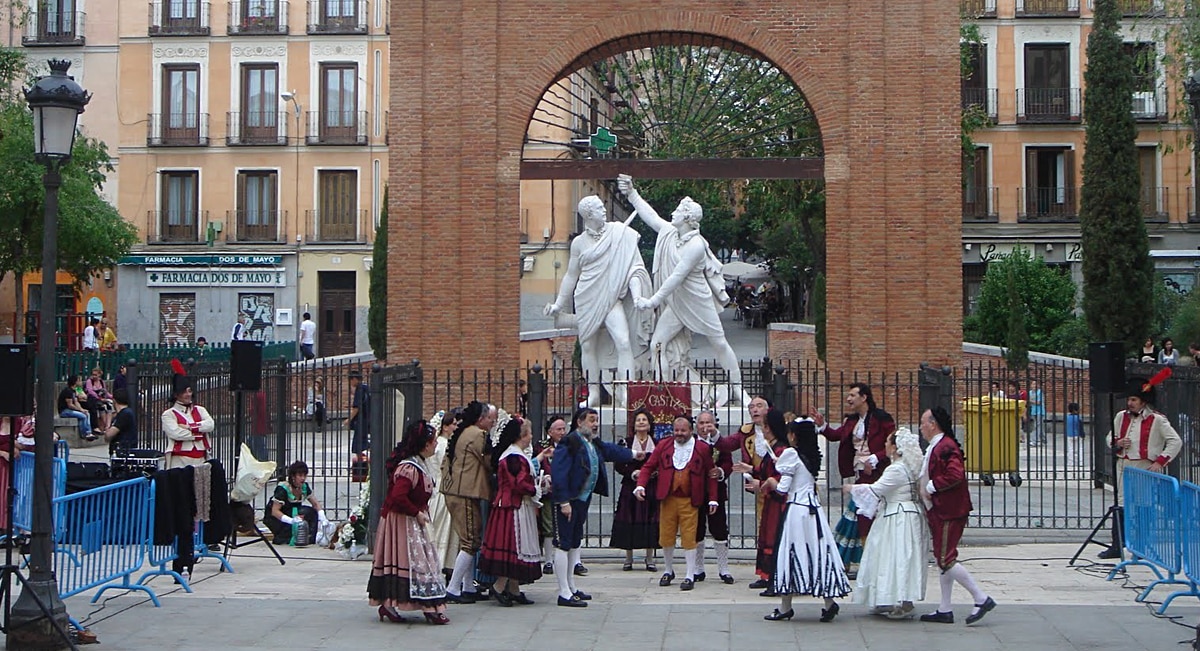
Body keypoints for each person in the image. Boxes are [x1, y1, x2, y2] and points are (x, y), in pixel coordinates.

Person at [620, 175, 743, 403]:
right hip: (677, 303)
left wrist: (653, 301)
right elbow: (651, 217)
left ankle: (738, 389)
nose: (673, 214)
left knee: (719, 343)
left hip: (697, 301)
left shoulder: (695, 245)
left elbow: (676, 277)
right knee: (657, 344)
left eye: (677, 211)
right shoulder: (670, 233)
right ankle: (663, 393)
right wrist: (632, 194)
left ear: (687, 218)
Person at [543, 195, 652, 408]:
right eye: (600, 208)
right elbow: (571, 275)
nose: (605, 211)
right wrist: (558, 303)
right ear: (589, 215)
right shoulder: (579, 243)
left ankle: (628, 391)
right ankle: (593, 392)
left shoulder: (619, 233)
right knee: (588, 346)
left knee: (623, 342)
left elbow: (632, 267)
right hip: (586, 297)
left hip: (611, 297)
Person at [550, 407, 639, 607]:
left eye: (596, 420)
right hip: (569, 500)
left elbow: (610, 450)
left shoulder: (591, 442)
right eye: (591, 420)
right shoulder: (569, 442)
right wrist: (563, 501)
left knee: (574, 542)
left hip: (582, 499)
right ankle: (563, 591)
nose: (595, 424)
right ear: (579, 422)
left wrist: (634, 454)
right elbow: (559, 473)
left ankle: (571, 586)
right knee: (563, 543)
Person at [763, 418, 850, 623]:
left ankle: (785, 607)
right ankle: (829, 602)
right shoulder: (812, 455)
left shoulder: (791, 454)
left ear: (794, 435)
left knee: (791, 554)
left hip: (796, 511)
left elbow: (783, 488)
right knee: (818, 553)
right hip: (814, 511)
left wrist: (770, 481)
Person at [918, 407, 997, 625]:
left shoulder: (946, 446)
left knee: (945, 559)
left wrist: (932, 486)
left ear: (933, 424)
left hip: (949, 510)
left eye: (923, 422)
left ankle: (981, 598)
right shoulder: (938, 446)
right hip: (940, 510)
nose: (921, 427)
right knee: (944, 558)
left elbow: (955, 474)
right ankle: (945, 608)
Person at [809, 383, 896, 576]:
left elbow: (893, 443)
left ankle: (854, 561)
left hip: (878, 475)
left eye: (852, 395)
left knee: (861, 515)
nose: (848, 399)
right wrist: (822, 425)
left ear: (864, 397)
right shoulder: (852, 421)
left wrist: (875, 458)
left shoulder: (882, 418)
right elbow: (836, 436)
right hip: (860, 474)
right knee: (857, 515)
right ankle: (852, 561)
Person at [368, 419, 450, 625]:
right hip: (402, 522)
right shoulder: (409, 468)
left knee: (424, 562)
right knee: (413, 563)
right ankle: (418, 606)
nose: (435, 445)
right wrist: (416, 513)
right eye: (432, 441)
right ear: (423, 444)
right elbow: (398, 497)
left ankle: (426, 605)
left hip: (413, 520)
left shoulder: (418, 463)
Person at [1099, 373, 1183, 559]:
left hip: (1144, 466)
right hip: (1124, 464)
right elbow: (1109, 438)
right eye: (1129, 399)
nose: (1130, 403)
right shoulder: (1121, 416)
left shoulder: (1158, 420)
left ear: (1143, 401)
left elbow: (1175, 442)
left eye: (1134, 399)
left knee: (1144, 506)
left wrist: (1160, 462)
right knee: (1120, 505)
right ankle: (1117, 545)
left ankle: (1143, 546)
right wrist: (1118, 442)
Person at [847, 427, 928, 619]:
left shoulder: (897, 469)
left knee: (897, 557)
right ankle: (887, 598)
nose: (885, 445)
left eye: (888, 442)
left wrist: (851, 488)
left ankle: (903, 602)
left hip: (898, 517)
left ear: (895, 447)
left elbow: (877, 490)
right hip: (898, 514)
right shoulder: (907, 467)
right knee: (891, 557)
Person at [634, 415, 718, 592]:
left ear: (691, 431)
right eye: (676, 430)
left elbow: (711, 474)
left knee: (689, 537)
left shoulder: (702, 448)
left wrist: (713, 498)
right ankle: (668, 570)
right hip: (668, 498)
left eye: (683, 431)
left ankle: (689, 574)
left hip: (690, 500)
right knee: (666, 535)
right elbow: (648, 467)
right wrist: (640, 485)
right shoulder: (664, 445)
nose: (679, 434)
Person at [479, 416, 543, 606]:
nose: (531, 437)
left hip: (512, 505)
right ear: (521, 436)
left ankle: (514, 588)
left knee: (516, 547)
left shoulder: (515, 454)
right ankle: (499, 587)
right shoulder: (514, 457)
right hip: (512, 507)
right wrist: (536, 489)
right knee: (514, 547)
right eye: (529, 433)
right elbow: (519, 484)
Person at [441, 401, 496, 603]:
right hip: (465, 491)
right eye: (490, 418)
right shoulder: (477, 435)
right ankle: (454, 588)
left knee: (467, 539)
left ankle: (467, 587)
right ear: (481, 419)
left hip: (454, 490)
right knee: (471, 540)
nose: (492, 422)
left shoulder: (462, 433)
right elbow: (489, 461)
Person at [734, 408, 790, 596]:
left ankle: (777, 579)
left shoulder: (781, 449)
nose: (763, 429)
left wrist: (762, 484)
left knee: (775, 538)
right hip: (770, 502)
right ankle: (768, 576)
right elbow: (765, 469)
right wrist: (750, 469)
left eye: (765, 426)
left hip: (778, 502)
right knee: (768, 536)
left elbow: (779, 477)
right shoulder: (772, 447)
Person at [611, 408, 660, 572]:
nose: (641, 422)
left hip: (651, 486)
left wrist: (653, 473)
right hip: (630, 486)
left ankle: (650, 558)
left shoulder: (658, 443)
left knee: (650, 519)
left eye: (644, 420)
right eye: (638, 420)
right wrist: (632, 473)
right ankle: (628, 558)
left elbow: (663, 463)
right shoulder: (625, 442)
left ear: (649, 424)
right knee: (629, 518)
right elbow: (618, 464)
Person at [694, 408, 740, 584]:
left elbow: (728, 463)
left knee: (719, 529)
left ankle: (724, 568)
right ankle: (698, 568)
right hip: (696, 492)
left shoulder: (720, 444)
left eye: (708, 422)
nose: (705, 426)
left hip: (717, 492)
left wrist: (720, 471)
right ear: (696, 425)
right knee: (697, 530)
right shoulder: (691, 442)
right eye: (702, 423)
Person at [739, 396, 773, 589]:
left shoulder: (781, 437)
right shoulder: (747, 432)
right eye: (751, 407)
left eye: (759, 405)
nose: (754, 410)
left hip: (777, 492)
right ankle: (765, 573)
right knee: (763, 532)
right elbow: (728, 444)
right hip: (761, 491)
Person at [161, 360, 214, 469]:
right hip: (179, 461)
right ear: (176, 395)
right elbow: (176, 433)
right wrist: (199, 434)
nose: (188, 395)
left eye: (189, 391)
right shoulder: (168, 414)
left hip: (201, 460)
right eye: (184, 392)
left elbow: (210, 425)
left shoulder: (200, 409)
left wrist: (190, 427)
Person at [262, 461, 328, 545]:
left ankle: (310, 538)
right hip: (278, 518)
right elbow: (275, 511)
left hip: (294, 513)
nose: (303, 478)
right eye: (300, 475)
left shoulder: (304, 487)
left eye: (304, 475)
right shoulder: (283, 488)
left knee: (311, 512)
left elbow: (315, 504)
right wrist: (291, 521)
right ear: (293, 476)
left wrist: (322, 517)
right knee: (284, 537)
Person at [535, 414, 567, 575]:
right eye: (558, 429)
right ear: (550, 431)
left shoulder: (570, 445)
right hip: (549, 491)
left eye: (563, 429)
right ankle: (548, 560)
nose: (562, 432)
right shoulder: (542, 446)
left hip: (566, 491)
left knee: (568, 525)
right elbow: (537, 463)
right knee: (548, 525)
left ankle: (574, 561)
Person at [427, 410, 457, 577]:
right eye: (452, 424)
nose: (455, 426)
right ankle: (442, 562)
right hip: (443, 489)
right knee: (444, 527)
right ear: (445, 427)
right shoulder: (444, 445)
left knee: (437, 527)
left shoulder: (436, 443)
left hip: (436, 488)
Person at [57, 374, 95, 441]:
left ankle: (88, 433)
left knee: (86, 414)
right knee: (83, 416)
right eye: (79, 380)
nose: (81, 382)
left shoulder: (74, 390)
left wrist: (82, 409)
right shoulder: (68, 391)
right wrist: (80, 410)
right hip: (65, 411)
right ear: (75, 382)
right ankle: (85, 433)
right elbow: (70, 405)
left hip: (70, 410)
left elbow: (76, 402)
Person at [102, 388, 138, 456]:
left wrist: (108, 422)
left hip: (123, 451)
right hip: (121, 451)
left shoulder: (124, 414)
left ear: (114, 401)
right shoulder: (123, 413)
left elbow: (108, 435)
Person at [345, 370, 370, 466]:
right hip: (367, 418)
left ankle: (360, 465)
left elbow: (356, 407)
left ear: (354, 379)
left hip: (361, 420)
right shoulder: (366, 388)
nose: (350, 383)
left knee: (357, 444)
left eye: (350, 381)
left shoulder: (359, 389)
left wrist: (349, 419)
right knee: (362, 441)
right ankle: (362, 462)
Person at [84, 367, 114, 432]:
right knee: (102, 406)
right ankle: (105, 424)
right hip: (93, 399)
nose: (94, 376)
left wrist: (111, 397)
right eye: (93, 374)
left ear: (99, 375)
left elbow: (105, 391)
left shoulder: (101, 382)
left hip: (102, 398)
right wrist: (99, 398)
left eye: (96, 375)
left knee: (109, 405)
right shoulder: (89, 381)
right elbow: (90, 391)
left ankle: (108, 425)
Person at [1027, 379, 1045, 447]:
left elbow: (1039, 402)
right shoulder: (1030, 392)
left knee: (1037, 426)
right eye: (1033, 384)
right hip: (1033, 411)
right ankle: (1043, 439)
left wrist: (1031, 401)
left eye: (1036, 384)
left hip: (1040, 411)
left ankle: (1034, 441)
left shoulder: (1040, 392)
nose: (1034, 385)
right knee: (1039, 426)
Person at [1066, 402, 1084, 468]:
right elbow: (1080, 427)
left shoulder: (1067, 417)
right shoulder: (1078, 417)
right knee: (1080, 448)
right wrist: (1082, 434)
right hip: (1078, 434)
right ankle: (1080, 462)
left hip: (1069, 434)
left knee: (1070, 449)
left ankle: (1071, 462)